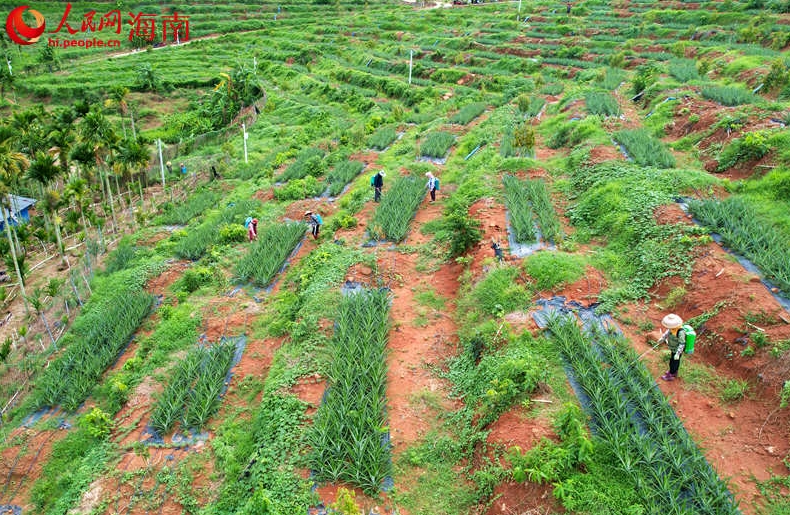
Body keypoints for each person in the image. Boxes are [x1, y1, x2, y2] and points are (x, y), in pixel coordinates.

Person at [659, 313, 687, 381]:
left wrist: (678, 353)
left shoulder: (680, 332)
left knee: (674, 362)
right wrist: (662, 338)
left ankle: (671, 374)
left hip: (677, 350)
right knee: (672, 360)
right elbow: (667, 333)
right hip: (673, 348)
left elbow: (682, 343)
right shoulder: (672, 328)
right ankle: (673, 372)